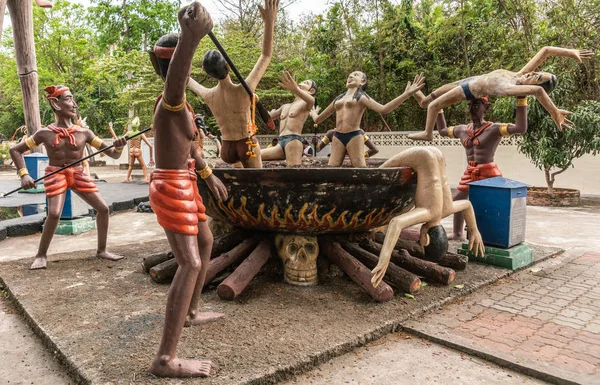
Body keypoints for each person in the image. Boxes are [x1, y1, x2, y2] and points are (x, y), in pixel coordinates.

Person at [148, 2, 229, 378]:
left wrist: (208, 173)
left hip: (188, 182)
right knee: (190, 262)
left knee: (207, 241)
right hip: (170, 185)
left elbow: (192, 148)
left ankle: (192, 311)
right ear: (174, 65)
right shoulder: (170, 102)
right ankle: (165, 358)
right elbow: (176, 84)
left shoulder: (182, 109)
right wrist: (192, 38)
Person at [9, 85, 127, 270]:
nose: (74, 105)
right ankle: (41, 255)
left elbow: (112, 154)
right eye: (69, 99)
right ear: (56, 104)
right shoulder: (44, 133)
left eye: (73, 100)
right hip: (56, 174)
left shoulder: (84, 133)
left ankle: (102, 250)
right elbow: (15, 150)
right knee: (55, 213)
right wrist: (24, 175)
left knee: (103, 208)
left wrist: (119, 146)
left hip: (78, 174)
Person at [408, 46, 594, 141]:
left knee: (434, 106)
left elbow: (537, 91)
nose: (533, 74)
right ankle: (414, 93)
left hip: (468, 90)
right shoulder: (519, 75)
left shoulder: (512, 88)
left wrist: (554, 111)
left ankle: (427, 133)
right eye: (538, 72)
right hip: (469, 79)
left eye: (537, 78)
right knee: (427, 102)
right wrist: (570, 52)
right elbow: (545, 51)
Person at [371, 147, 485, 288]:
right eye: (421, 242)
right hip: (422, 156)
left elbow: (467, 205)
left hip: (438, 155)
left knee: (377, 173)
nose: (419, 239)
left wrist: (474, 230)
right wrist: (384, 259)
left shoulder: (447, 209)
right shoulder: (428, 212)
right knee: (375, 174)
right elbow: (396, 223)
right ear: (426, 240)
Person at [186, 0, 279, 168]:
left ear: (209, 74)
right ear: (228, 66)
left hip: (227, 147)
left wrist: (188, 38)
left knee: (237, 187)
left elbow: (185, 78)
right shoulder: (245, 88)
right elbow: (266, 55)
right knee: (255, 185)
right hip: (246, 144)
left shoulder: (208, 94)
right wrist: (269, 23)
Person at [436, 96, 528, 240]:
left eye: (476, 105)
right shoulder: (462, 130)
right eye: (469, 105)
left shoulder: (494, 129)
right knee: (456, 201)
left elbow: (520, 128)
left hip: (488, 172)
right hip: (470, 171)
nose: (471, 108)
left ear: (487, 107)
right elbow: (442, 130)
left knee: (489, 205)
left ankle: (491, 235)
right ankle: (458, 233)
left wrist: (521, 99)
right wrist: (438, 106)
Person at [310, 71, 424, 167]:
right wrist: (314, 114)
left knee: (359, 168)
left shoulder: (361, 97)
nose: (350, 76)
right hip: (338, 136)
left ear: (362, 82)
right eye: (349, 75)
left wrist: (406, 94)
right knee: (332, 168)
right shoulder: (338, 99)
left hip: (354, 135)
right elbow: (318, 119)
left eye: (355, 75)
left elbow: (384, 109)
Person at [261, 71, 317, 166]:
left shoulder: (305, 104)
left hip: (293, 141)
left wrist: (295, 89)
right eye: (301, 82)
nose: (300, 83)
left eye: (305, 83)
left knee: (293, 170)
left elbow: (311, 100)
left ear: (311, 91)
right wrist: (256, 103)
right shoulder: (285, 106)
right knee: (254, 155)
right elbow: (269, 118)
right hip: (280, 142)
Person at [108, 118, 154, 182]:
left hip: (131, 151)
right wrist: (151, 158)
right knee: (143, 166)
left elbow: (118, 140)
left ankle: (127, 178)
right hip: (137, 151)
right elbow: (150, 146)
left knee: (130, 166)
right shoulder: (140, 133)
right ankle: (146, 178)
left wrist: (111, 128)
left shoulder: (129, 133)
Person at [313, 128, 379, 160]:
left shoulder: (359, 132)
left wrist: (360, 157)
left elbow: (374, 150)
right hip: (337, 163)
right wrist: (315, 143)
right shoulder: (331, 133)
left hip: (352, 163)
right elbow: (318, 149)